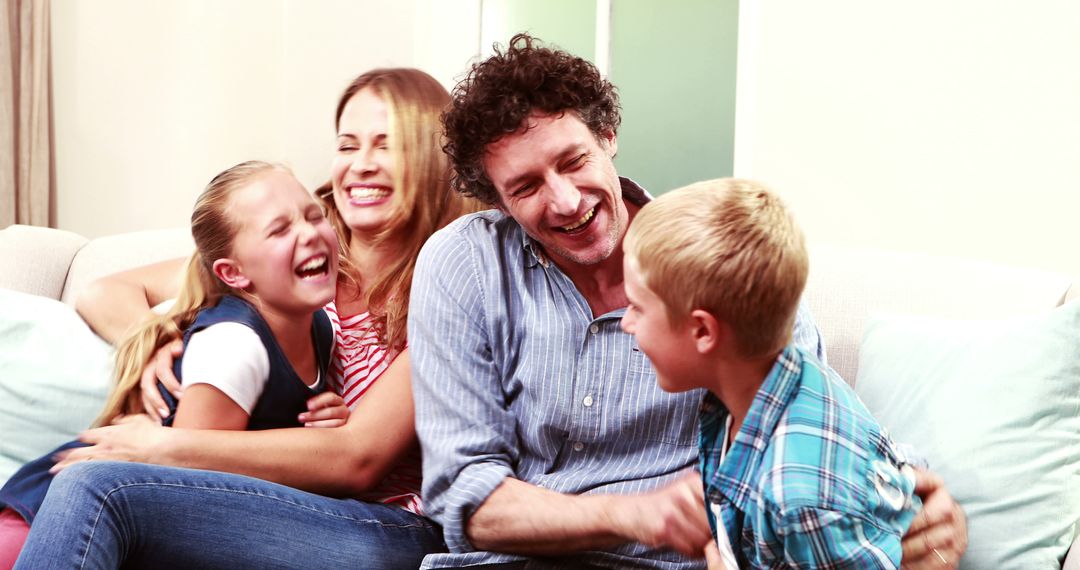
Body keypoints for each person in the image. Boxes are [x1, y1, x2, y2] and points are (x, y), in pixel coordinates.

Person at [409, 33, 966, 569]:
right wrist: (630, 515)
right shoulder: (464, 262)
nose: (565, 200)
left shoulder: (718, 257)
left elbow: (801, 420)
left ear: (608, 137)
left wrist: (913, 492)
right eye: (525, 188)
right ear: (499, 202)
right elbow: (464, 495)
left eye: (573, 160)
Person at [12, 68, 479, 569]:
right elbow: (108, 291)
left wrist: (164, 448)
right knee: (93, 487)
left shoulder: (451, 280)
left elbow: (356, 458)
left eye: (386, 146)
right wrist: (156, 343)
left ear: (435, 158)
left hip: (389, 526)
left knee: (99, 486)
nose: (360, 165)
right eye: (347, 146)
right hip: (271, 499)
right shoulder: (298, 249)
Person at [0, 160, 348, 566]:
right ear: (233, 274)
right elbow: (186, 497)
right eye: (280, 229)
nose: (309, 233)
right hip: (52, 526)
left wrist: (318, 427)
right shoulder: (234, 346)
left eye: (313, 215)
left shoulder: (319, 327)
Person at [621, 178, 922, 568]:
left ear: (702, 331)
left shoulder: (801, 498)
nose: (626, 322)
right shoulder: (754, 392)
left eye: (637, 308)